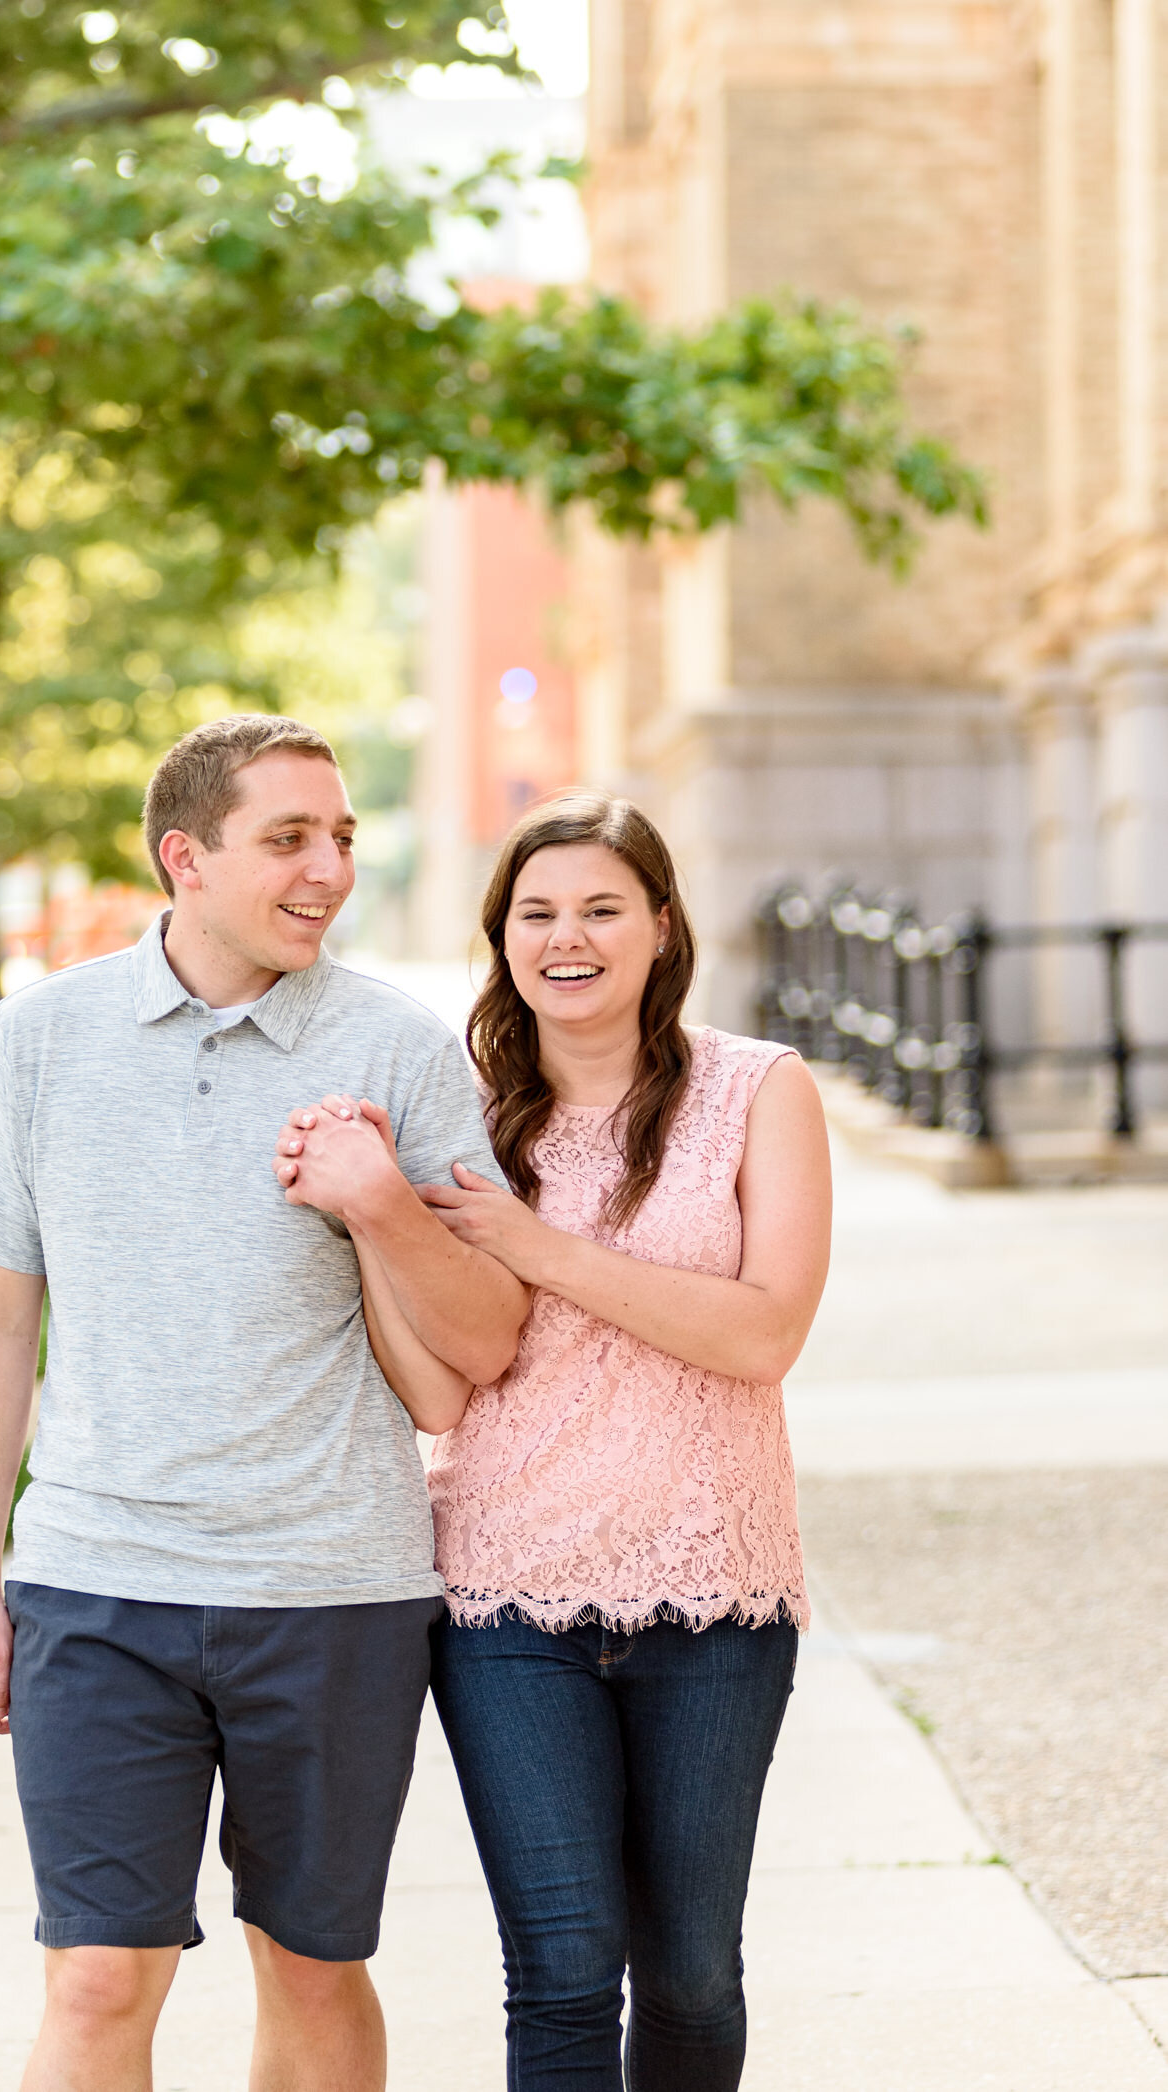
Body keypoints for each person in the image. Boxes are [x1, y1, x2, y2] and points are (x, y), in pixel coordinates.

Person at [0, 712, 527, 2092]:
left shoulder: (397, 1046)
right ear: (182, 857)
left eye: (341, 839)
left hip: (331, 1588)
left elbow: (487, 1339)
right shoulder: (43, 1038)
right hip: (94, 1582)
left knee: (310, 1964)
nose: (328, 869)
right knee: (93, 1977)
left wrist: (380, 1206)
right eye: (288, 839)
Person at [275, 791, 830, 2092]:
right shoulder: (454, 1113)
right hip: (503, 1604)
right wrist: (375, 1224)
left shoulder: (759, 1091)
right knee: (563, 1966)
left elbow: (761, 1337)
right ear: (501, 937)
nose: (564, 938)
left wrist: (537, 1250)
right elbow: (438, 1394)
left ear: (658, 926)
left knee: (691, 1972)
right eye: (534, 913)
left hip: (718, 1597)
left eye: (596, 908)